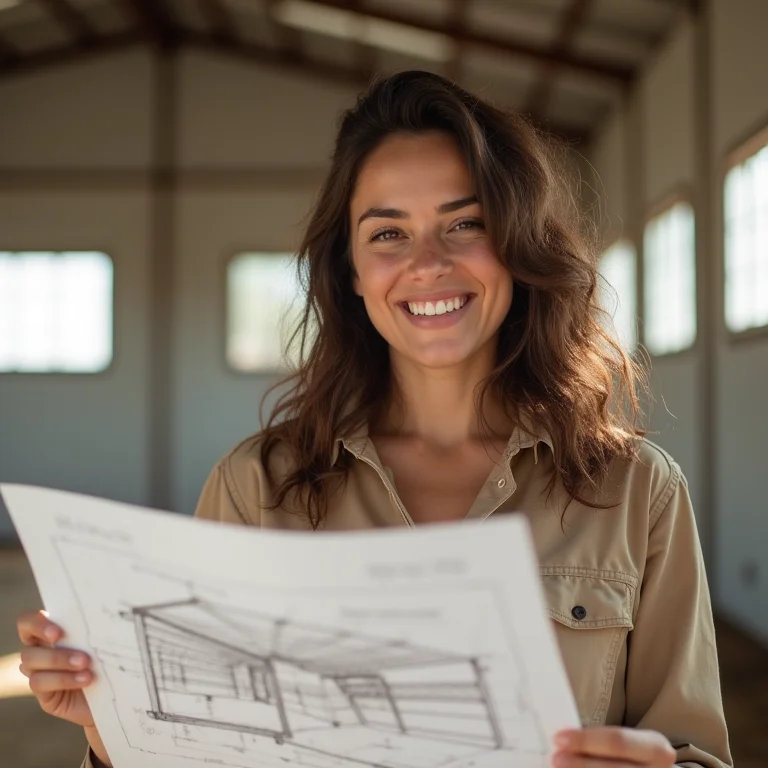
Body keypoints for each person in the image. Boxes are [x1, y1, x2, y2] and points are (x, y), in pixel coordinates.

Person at [16, 70, 731, 768]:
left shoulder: (636, 491)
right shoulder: (256, 488)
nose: (427, 263)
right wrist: (115, 728)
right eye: (389, 234)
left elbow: (695, 751)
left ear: (518, 245)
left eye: (466, 223)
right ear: (352, 270)